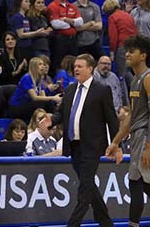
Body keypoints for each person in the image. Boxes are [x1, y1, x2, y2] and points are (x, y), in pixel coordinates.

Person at [42, 54, 121, 227]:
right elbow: (61, 113)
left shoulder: (101, 90)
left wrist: (117, 145)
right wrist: (52, 121)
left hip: (92, 147)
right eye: (75, 66)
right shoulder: (70, 89)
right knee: (89, 186)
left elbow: (112, 120)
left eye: (80, 66)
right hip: (74, 146)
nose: (76, 69)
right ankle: (106, 223)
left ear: (90, 69)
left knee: (84, 191)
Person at [106, 35, 150, 227]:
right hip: (139, 134)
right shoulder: (135, 79)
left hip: (148, 134)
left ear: (143, 55)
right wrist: (115, 141)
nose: (127, 54)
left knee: (139, 183)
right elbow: (131, 116)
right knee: (144, 184)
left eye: (132, 51)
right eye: (127, 50)